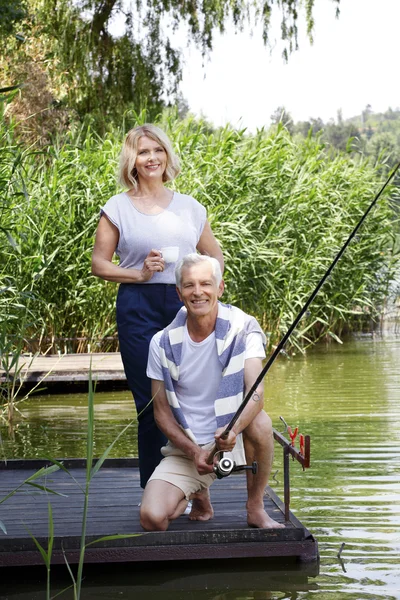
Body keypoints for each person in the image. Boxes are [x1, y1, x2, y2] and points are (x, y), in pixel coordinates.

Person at [91, 125, 224, 488]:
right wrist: (138, 273)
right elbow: (99, 264)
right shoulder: (117, 207)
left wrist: (211, 287)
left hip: (187, 305)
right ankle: (155, 488)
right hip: (138, 307)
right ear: (131, 160)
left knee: (194, 396)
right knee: (151, 404)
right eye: (142, 152)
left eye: (157, 151)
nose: (151, 158)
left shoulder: (190, 207)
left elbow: (214, 254)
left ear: (167, 156)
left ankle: (198, 491)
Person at [140, 254, 285, 531]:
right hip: (189, 446)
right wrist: (194, 451)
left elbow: (256, 393)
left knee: (260, 421)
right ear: (178, 292)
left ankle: (255, 508)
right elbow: (161, 414)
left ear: (220, 288)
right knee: (152, 518)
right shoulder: (161, 343)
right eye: (189, 285)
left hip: (234, 436)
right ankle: (197, 492)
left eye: (206, 284)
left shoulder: (244, 328)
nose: (198, 292)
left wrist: (232, 430)